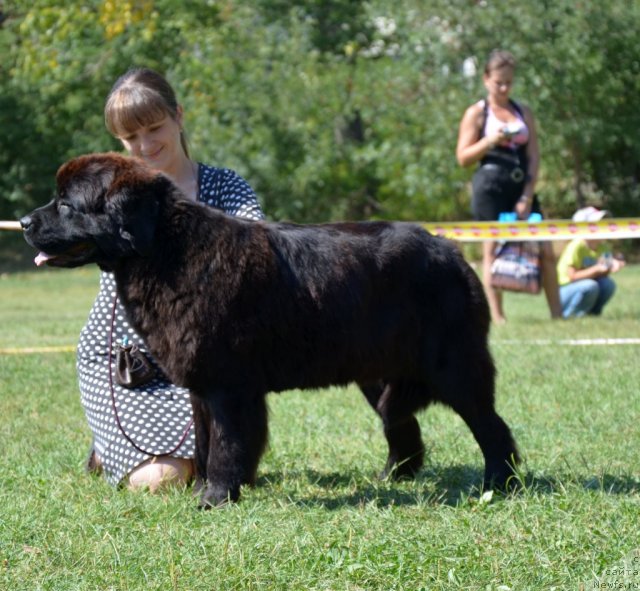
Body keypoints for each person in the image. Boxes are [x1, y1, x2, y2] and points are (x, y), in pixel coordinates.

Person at [79, 67, 265, 491]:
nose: (144, 145)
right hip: (126, 362)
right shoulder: (111, 193)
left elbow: (255, 253)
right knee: (162, 481)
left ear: (179, 116)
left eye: (154, 127)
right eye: (130, 137)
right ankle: (115, 441)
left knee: (211, 468)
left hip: (203, 362)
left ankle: (119, 449)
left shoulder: (226, 188)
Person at [456, 50, 562, 324]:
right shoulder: (477, 113)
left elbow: (534, 155)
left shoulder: (523, 111)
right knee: (491, 252)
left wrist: (527, 194)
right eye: (499, 82)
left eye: (509, 83)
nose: (504, 88)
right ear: (486, 79)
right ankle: (498, 317)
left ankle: (558, 315)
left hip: (521, 187)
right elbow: (463, 157)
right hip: (489, 187)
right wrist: (491, 140)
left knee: (546, 249)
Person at [556, 207, 625, 318]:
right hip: (565, 290)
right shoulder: (576, 246)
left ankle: (593, 314)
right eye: (598, 224)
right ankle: (570, 315)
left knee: (608, 284)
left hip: (587, 287)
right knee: (590, 286)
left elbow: (604, 272)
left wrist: (614, 265)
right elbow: (572, 276)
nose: (604, 226)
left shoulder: (604, 247)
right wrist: (596, 269)